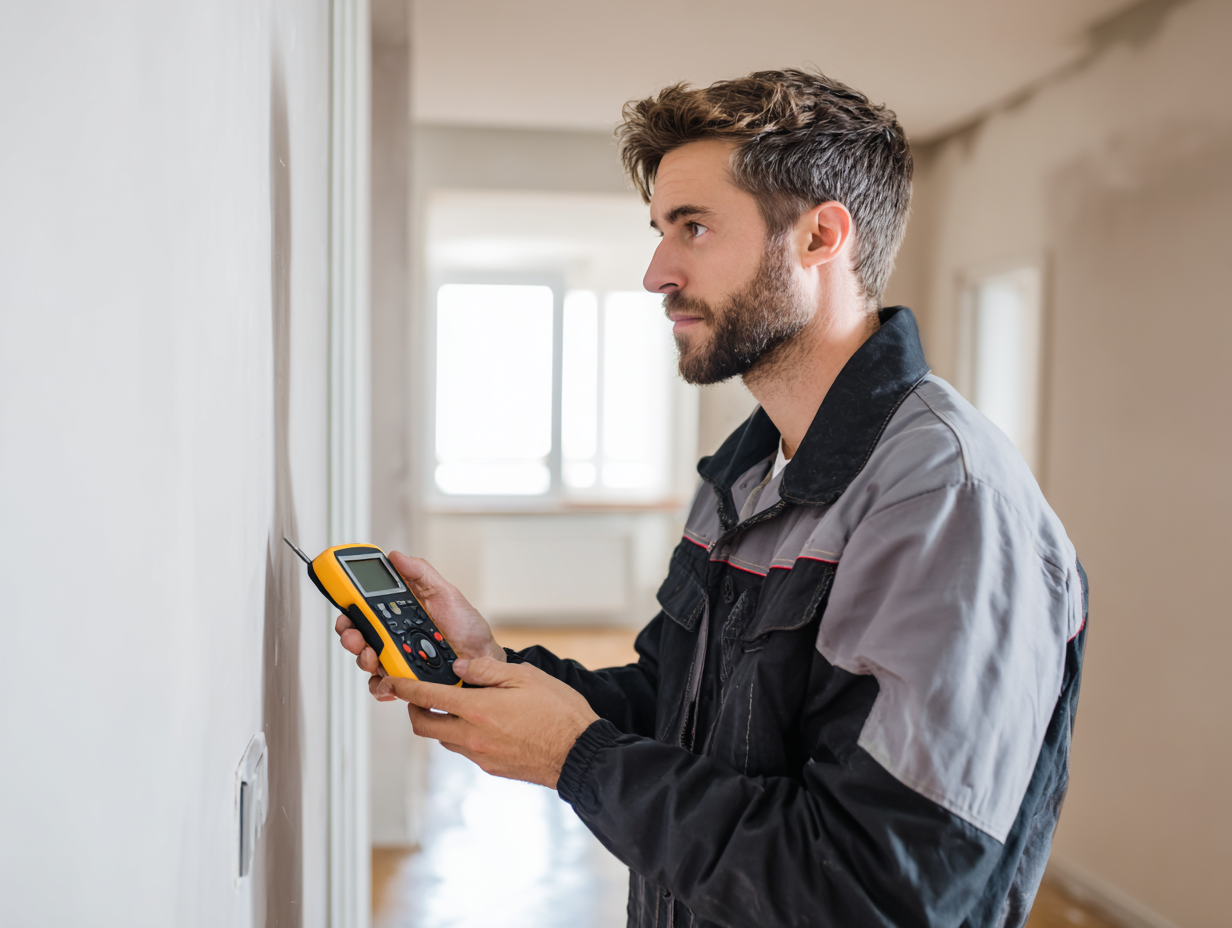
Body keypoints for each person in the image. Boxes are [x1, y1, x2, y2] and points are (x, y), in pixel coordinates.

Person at [338, 69, 1087, 928]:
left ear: (820, 237)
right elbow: (679, 706)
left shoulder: (946, 501)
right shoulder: (747, 470)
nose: (656, 273)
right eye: (661, 231)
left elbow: (879, 893)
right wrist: (497, 665)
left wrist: (579, 758)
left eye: (693, 227)